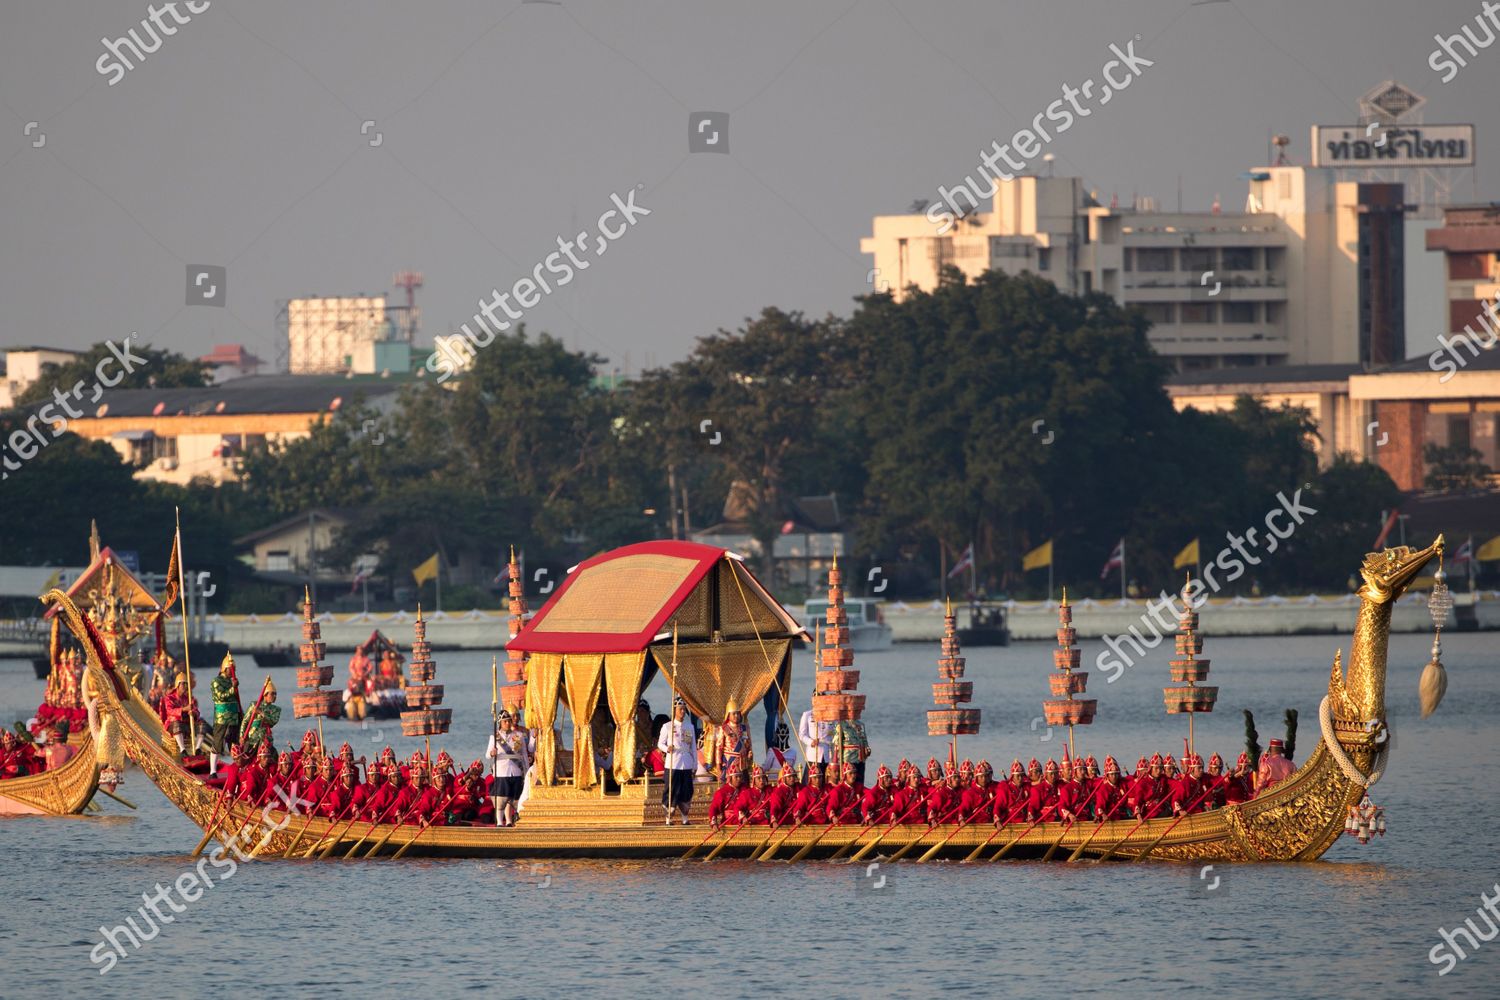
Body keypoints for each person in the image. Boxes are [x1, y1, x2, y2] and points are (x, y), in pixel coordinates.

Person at [486, 709, 531, 827]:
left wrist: (526, 771)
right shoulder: (494, 737)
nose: (507, 723)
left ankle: (512, 821)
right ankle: (500, 822)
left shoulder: (519, 736)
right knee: (501, 799)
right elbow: (487, 755)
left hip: (516, 771)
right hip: (502, 772)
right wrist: (492, 753)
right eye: (505, 721)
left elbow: (524, 755)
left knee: (515, 799)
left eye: (509, 721)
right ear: (500, 722)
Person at [657, 696, 697, 825]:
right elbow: (660, 744)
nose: (683, 712)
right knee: (672, 789)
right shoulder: (667, 726)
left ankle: (685, 818)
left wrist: (694, 764)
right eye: (680, 709)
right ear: (674, 710)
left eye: (684, 709)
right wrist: (666, 748)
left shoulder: (689, 727)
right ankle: (669, 818)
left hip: (686, 761)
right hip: (673, 761)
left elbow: (693, 747)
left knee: (687, 790)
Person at [208, 652, 242, 771]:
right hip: (222, 716)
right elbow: (220, 696)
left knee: (234, 742)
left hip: (233, 715)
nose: (233, 671)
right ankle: (213, 770)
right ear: (225, 668)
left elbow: (235, 698)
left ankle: (236, 767)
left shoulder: (232, 680)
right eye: (231, 669)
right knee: (218, 742)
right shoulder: (216, 681)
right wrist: (233, 688)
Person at [713, 700, 753, 780]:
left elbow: (749, 745)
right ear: (728, 715)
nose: (736, 716)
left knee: (744, 789)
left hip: (743, 765)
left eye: (738, 713)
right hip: (730, 764)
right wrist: (718, 767)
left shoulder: (744, 728)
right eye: (733, 714)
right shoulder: (724, 728)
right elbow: (719, 748)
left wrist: (750, 753)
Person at [239, 679, 281, 754]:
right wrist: (242, 736)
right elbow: (245, 721)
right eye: (272, 694)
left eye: (275, 694)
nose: (274, 696)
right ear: (265, 694)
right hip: (252, 737)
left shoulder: (276, 709)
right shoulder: (254, 705)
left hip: (266, 738)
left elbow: (273, 721)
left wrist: (261, 713)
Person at [830, 717, 871, 786]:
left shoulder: (860, 724)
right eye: (850, 710)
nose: (852, 712)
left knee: (860, 781)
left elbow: (864, 739)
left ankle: (859, 796)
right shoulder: (841, 724)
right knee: (849, 781)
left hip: (861, 758)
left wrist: (867, 749)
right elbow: (836, 742)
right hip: (848, 758)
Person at [798, 707, 833, 774]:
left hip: (828, 753)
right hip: (814, 754)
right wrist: (810, 742)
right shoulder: (807, 715)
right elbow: (802, 735)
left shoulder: (830, 715)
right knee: (811, 779)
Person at [1093, 756, 1128, 821]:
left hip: (1122, 816)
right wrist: (1103, 814)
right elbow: (1099, 806)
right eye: (1111, 774)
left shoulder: (1122, 785)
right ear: (1107, 775)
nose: (1114, 777)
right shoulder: (1103, 789)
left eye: (1116, 774)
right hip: (1110, 817)